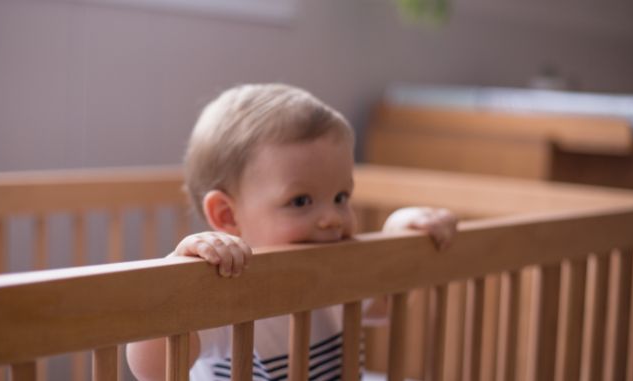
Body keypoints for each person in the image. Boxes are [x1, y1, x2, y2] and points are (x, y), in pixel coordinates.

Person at [126, 84, 457, 380]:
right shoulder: (225, 288)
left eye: (341, 197)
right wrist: (175, 283)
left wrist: (399, 234)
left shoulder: (338, 270)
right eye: (301, 201)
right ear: (227, 215)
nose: (333, 218)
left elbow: (384, 305)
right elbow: (153, 368)